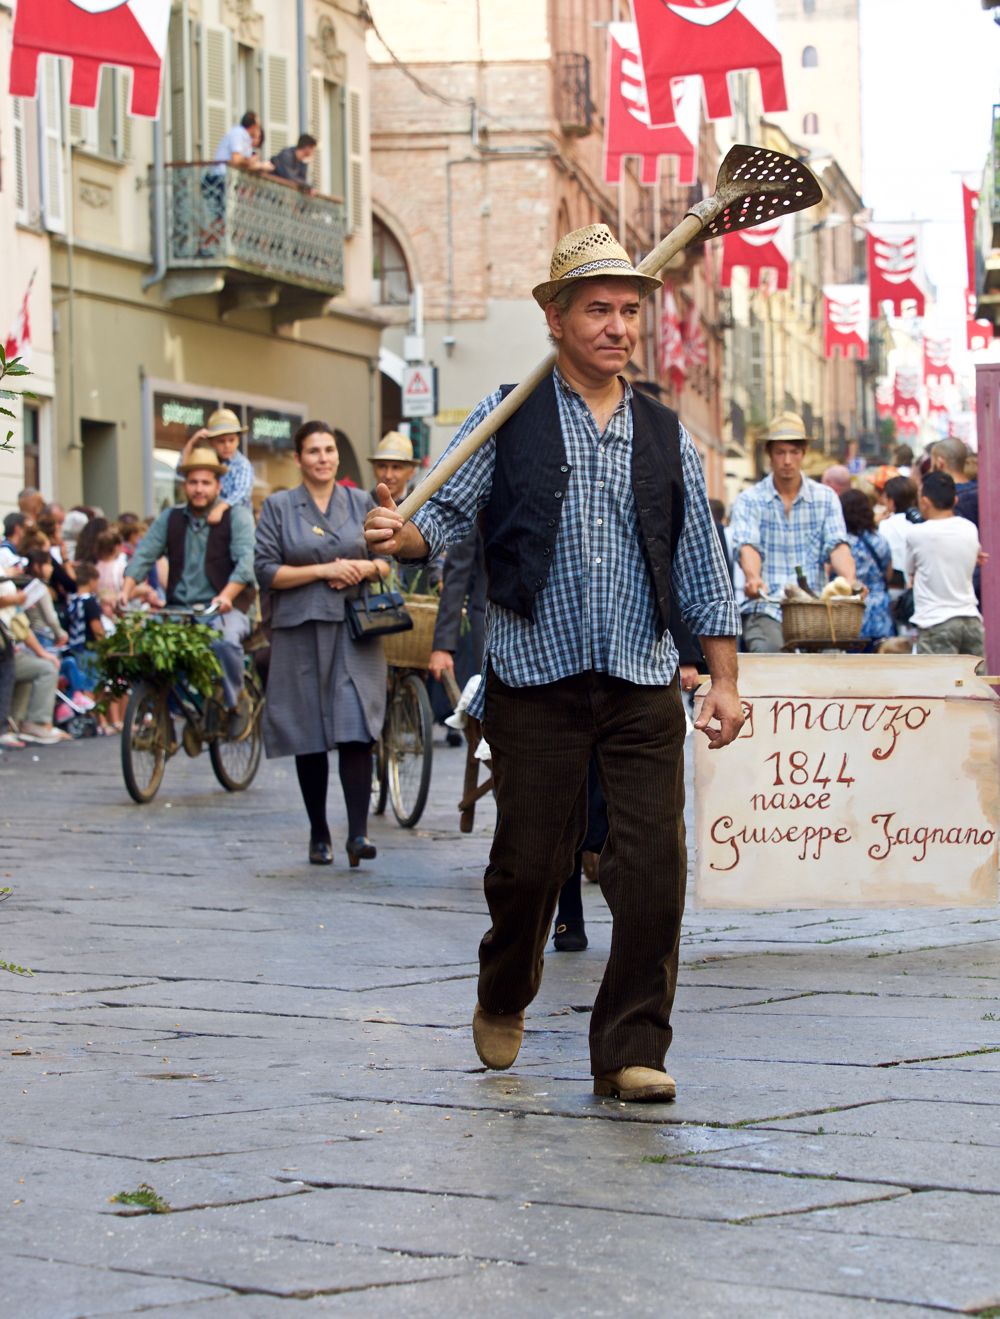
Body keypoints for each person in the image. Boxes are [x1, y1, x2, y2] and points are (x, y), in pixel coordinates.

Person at [365, 223, 742, 1103]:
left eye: (629, 310)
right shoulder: (505, 414)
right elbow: (444, 524)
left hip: (643, 682)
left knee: (654, 872)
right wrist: (402, 532)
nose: (619, 326)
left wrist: (722, 679)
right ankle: (505, 984)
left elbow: (700, 562)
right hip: (536, 680)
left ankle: (629, 1048)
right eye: (599, 309)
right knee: (528, 867)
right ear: (555, 316)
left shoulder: (663, 432)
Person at [255, 420, 390, 867]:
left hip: (355, 630)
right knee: (308, 730)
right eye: (313, 451)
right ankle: (319, 832)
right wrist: (324, 571)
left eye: (329, 450)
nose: (323, 458)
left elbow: (386, 562)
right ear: (298, 459)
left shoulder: (361, 500)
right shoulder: (278, 507)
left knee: (356, 727)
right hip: (300, 629)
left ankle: (358, 835)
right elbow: (267, 571)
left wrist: (362, 569)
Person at [120, 448, 257, 725]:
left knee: (224, 641)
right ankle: (163, 718)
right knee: (142, 647)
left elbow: (247, 562)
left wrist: (226, 596)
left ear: (217, 486)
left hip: (226, 608)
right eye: (193, 482)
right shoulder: (171, 517)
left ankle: (236, 699)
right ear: (185, 486)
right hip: (178, 610)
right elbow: (145, 553)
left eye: (205, 483)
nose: (199, 489)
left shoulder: (236, 517)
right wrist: (125, 589)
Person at [730, 413, 855, 653]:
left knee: (831, 668)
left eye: (794, 452)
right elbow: (748, 545)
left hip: (815, 608)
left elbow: (837, 544)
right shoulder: (749, 499)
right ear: (769, 453)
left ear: (804, 453)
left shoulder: (825, 497)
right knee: (769, 657)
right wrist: (753, 577)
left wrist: (849, 579)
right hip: (768, 605)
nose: (787, 460)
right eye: (780, 452)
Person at [903, 471, 984, 658]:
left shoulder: (917, 534)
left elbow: (910, 572)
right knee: (976, 685)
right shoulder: (969, 528)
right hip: (971, 621)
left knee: (939, 685)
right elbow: (974, 556)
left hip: (936, 623)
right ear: (955, 501)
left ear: (926, 501)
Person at [179, 409, 255, 524]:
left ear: (238, 440)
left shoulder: (243, 465)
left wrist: (220, 508)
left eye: (231, 440)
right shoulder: (209, 461)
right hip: (212, 521)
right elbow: (183, 472)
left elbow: (241, 493)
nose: (227, 445)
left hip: (237, 522)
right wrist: (191, 443)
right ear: (211, 443)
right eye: (221, 441)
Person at [840, 490, 893, 643]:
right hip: (880, 613)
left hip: (850, 614)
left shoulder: (841, 544)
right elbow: (888, 575)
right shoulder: (881, 541)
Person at [367, 431, 418, 504]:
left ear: (411, 472)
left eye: (396, 467)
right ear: (374, 470)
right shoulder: (360, 505)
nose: (388, 476)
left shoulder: (419, 508)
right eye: (382, 467)